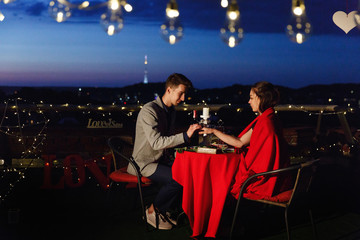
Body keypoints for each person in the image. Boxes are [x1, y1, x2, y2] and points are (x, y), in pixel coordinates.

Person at [128, 73, 201, 230]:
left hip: (160, 159)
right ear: (169, 90)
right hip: (143, 163)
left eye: (184, 94)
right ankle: (152, 210)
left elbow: (167, 140)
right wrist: (185, 136)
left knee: (189, 172)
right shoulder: (149, 110)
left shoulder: (170, 111)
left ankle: (165, 209)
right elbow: (156, 142)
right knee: (178, 179)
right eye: (180, 93)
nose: (183, 98)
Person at [200, 81, 290, 200]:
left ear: (261, 99)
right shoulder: (271, 118)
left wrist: (214, 131)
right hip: (278, 176)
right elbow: (241, 141)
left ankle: (214, 205)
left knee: (219, 175)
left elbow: (239, 143)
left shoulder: (264, 123)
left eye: (252, 98)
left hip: (261, 179)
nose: (249, 101)